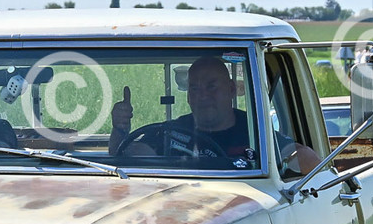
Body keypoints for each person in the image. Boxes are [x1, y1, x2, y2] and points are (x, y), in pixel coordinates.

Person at [109, 55, 317, 174]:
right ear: (188, 96)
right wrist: (120, 128)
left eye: (211, 86)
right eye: (195, 88)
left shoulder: (254, 131)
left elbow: (301, 157)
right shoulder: (172, 132)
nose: (203, 96)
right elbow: (124, 157)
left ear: (231, 90)